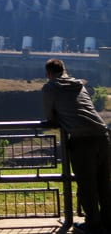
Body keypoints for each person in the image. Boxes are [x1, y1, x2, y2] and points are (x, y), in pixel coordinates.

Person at [42, 58, 110, 234]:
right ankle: (108, 222)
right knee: (104, 182)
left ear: (48, 73)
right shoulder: (79, 85)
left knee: (87, 185)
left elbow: (50, 116)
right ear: (64, 70)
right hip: (102, 135)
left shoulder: (50, 87)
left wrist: (59, 119)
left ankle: (93, 225)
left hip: (81, 139)